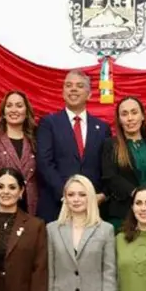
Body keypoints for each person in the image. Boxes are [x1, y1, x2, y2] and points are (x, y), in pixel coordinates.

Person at [36, 69, 110, 221]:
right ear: (63, 92)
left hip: (93, 207)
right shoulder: (48, 123)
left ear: (89, 94)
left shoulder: (102, 128)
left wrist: (102, 194)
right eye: (68, 85)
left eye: (79, 85)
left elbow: (107, 166)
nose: (73, 89)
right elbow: (44, 162)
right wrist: (68, 194)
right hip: (56, 206)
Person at [100, 95, 146, 229]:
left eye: (134, 112)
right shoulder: (111, 145)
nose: (130, 118)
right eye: (124, 114)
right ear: (119, 120)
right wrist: (136, 194)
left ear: (142, 116)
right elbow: (110, 177)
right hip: (121, 215)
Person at [0, 90, 40, 216]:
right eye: (9, 106)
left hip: (30, 209)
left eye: (19, 106)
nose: (14, 110)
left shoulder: (36, 138)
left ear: (26, 112)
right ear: (3, 112)